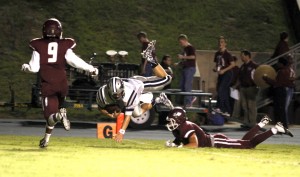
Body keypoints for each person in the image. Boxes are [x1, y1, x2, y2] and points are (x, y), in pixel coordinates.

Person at [21, 18, 98, 148]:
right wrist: (91, 69)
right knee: (52, 120)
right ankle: (45, 140)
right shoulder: (65, 44)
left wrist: (26, 67)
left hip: (48, 86)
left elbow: (34, 68)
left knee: (50, 117)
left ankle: (60, 115)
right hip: (62, 85)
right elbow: (74, 61)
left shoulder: (38, 45)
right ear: (59, 31)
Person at [96, 40, 174, 143]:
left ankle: (150, 58)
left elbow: (127, 116)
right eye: (116, 95)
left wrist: (121, 132)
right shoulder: (102, 94)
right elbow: (100, 107)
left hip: (139, 85)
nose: (118, 96)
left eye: (119, 93)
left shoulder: (128, 94)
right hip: (133, 88)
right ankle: (159, 99)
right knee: (137, 114)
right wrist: (110, 115)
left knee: (167, 78)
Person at [165, 107, 293, 148]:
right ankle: (262, 123)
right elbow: (180, 139)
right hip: (216, 140)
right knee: (245, 141)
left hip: (217, 142)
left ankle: (276, 129)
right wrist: (174, 145)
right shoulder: (179, 128)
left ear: (179, 120)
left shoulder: (186, 126)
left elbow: (194, 144)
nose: (170, 123)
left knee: (249, 145)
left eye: (172, 120)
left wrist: (180, 148)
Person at [263, 57, 296, 128]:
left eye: (279, 63)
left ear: (282, 64)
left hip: (281, 91)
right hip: (285, 90)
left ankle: (282, 126)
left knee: (280, 109)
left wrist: (266, 78)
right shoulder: (289, 70)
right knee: (283, 109)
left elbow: (277, 83)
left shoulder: (282, 71)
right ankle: (283, 125)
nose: (277, 64)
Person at [213, 36, 235, 117]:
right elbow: (217, 64)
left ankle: (220, 107)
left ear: (225, 44)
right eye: (219, 42)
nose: (220, 44)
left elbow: (233, 64)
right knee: (222, 91)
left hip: (227, 73)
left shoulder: (227, 54)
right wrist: (216, 69)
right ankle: (227, 110)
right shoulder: (217, 53)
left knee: (221, 89)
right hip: (220, 74)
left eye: (222, 42)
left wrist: (224, 70)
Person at [238, 50, 259, 128]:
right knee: (244, 106)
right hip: (243, 88)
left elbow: (259, 75)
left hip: (251, 88)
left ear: (247, 56)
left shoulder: (254, 66)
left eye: (242, 56)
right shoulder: (243, 66)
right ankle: (246, 123)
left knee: (251, 106)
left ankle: (252, 123)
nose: (241, 57)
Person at [176, 34, 197, 107]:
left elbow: (193, 57)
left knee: (187, 85)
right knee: (182, 85)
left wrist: (183, 56)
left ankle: (189, 101)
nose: (180, 44)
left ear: (185, 40)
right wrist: (178, 63)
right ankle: (184, 101)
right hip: (185, 68)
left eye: (181, 42)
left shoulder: (190, 47)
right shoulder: (185, 49)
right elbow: (185, 59)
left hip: (190, 68)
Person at [158, 55, 174, 125]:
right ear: (164, 61)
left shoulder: (169, 68)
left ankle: (165, 120)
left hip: (168, 88)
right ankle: (161, 120)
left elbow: (173, 77)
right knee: (162, 105)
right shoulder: (160, 67)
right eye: (168, 60)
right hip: (162, 88)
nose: (169, 62)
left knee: (167, 105)